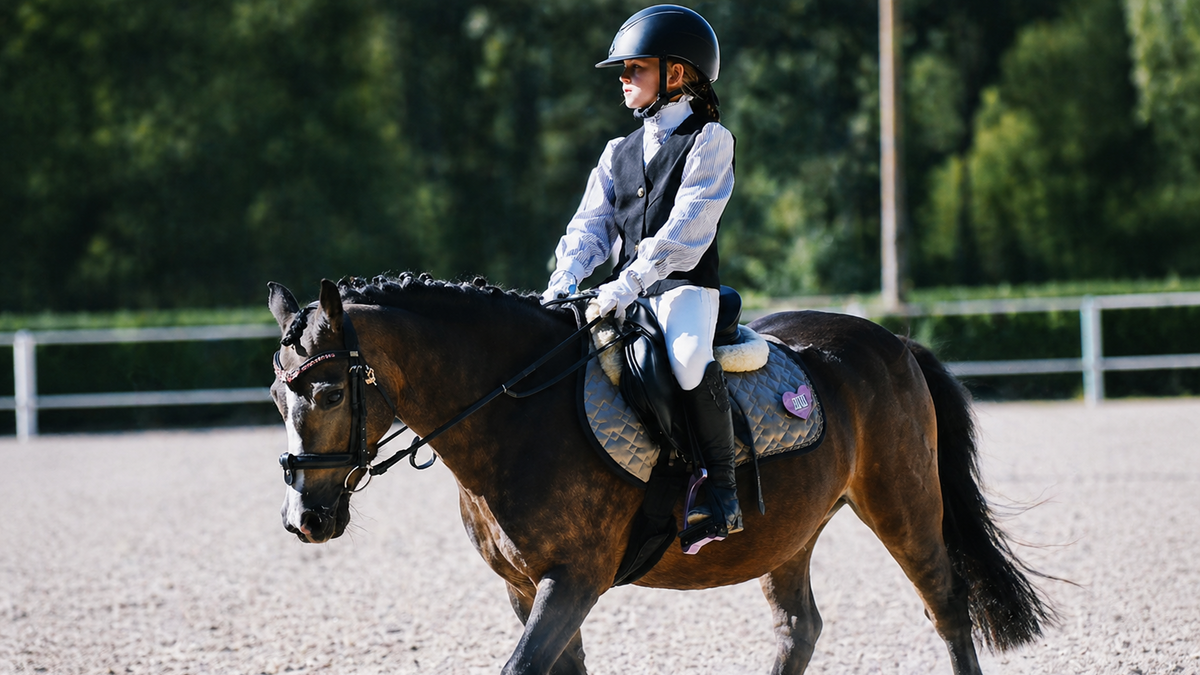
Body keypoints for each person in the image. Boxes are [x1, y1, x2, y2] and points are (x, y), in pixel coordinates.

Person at [540, 5, 741, 538]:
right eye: (623, 71)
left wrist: (626, 282)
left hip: (683, 289)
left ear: (676, 74)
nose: (624, 79)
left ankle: (720, 488)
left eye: (635, 69)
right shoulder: (616, 152)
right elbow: (591, 226)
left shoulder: (709, 141)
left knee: (688, 357)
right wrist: (565, 280)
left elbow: (685, 234)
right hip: (620, 292)